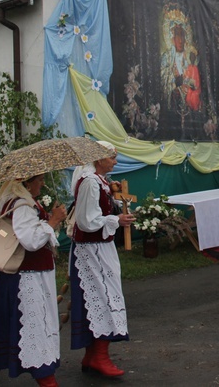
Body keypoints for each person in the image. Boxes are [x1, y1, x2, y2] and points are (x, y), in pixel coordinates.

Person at [0, 174, 66, 386]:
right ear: (26, 183)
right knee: (34, 329)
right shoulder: (22, 205)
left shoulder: (20, 203)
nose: (43, 183)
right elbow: (30, 241)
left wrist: (49, 222)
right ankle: (47, 381)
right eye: (39, 180)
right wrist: (53, 221)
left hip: (18, 277)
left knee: (1, 329)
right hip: (25, 279)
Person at [69, 141, 135, 377]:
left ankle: (93, 354)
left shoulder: (98, 181)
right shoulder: (89, 182)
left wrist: (114, 201)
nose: (116, 161)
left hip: (99, 247)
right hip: (92, 249)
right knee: (102, 297)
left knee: (98, 297)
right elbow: (87, 221)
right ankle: (99, 355)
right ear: (99, 159)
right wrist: (116, 221)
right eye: (112, 157)